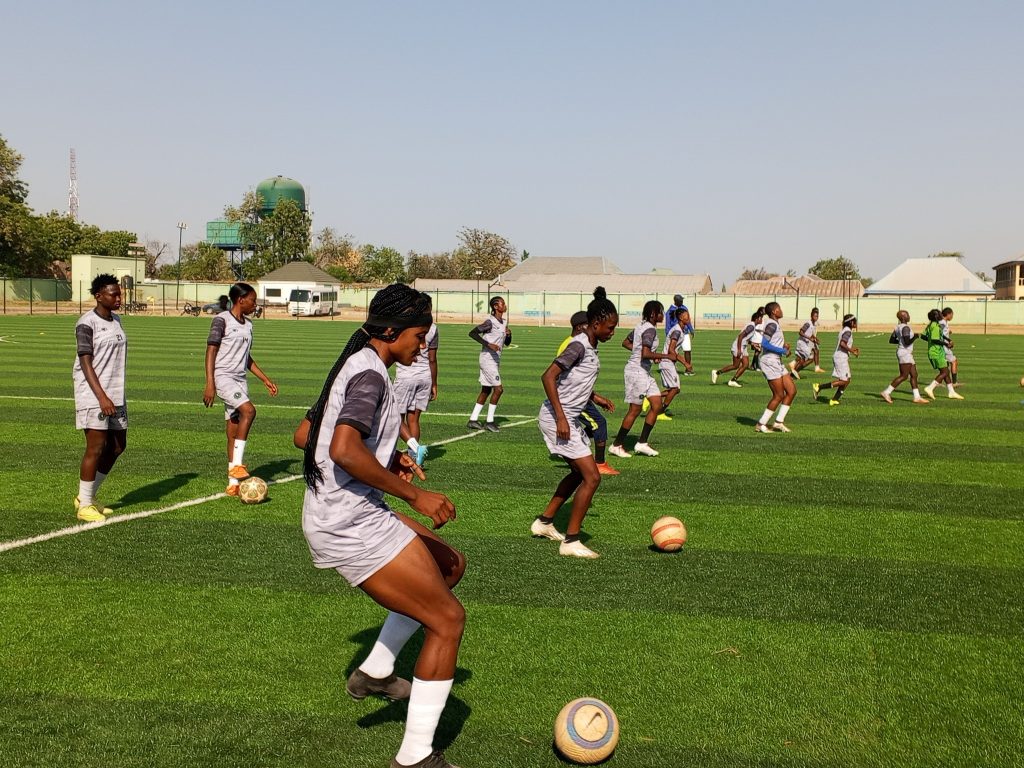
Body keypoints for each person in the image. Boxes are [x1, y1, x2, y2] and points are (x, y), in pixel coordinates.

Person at [299, 283, 466, 768]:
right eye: (419, 335)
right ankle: (415, 757)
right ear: (392, 332)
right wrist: (416, 496)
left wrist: (386, 459)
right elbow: (342, 449)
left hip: (356, 510)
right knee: (448, 620)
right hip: (348, 523)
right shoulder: (370, 374)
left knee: (449, 565)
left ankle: (376, 670)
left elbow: (305, 435)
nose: (423, 345)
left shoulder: (360, 365)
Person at [533, 289, 620, 558]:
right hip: (558, 418)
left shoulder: (589, 347)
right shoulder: (579, 345)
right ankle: (571, 541)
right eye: (610, 327)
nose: (613, 332)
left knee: (578, 474)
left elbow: (573, 381)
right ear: (596, 324)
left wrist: (596, 397)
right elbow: (548, 376)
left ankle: (544, 522)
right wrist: (561, 417)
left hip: (568, 417)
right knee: (592, 477)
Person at [203, 282, 278, 496]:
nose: (255, 304)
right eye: (252, 300)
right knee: (249, 411)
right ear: (240, 300)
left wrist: (265, 379)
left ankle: (233, 482)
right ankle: (237, 465)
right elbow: (211, 351)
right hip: (223, 377)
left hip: (240, 380)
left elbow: (246, 358)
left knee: (233, 430)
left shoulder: (249, 325)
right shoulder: (221, 320)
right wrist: (210, 383)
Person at [72, 274, 128, 522]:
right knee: (95, 447)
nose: (119, 298)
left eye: (119, 294)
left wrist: (111, 395)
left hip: (115, 394)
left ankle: (86, 497)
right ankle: (85, 505)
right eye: (113, 294)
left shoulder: (117, 320)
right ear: (98, 296)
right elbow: (85, 363)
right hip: (93, 394)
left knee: (117, 446)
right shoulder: (86, 323)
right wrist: (102, 397)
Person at [608, 301, 674, 457]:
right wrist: (666, 356)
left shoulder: (640, 326)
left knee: (656, 405)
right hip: (637, 372)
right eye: (660, 312)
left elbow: (626, 343)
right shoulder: (650, 329)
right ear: (653, 314)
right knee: (635, 410)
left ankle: (642, 443)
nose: (662, 315)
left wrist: (648, 354)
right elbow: (645, 353)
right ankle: (616, 445)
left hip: (644, 372)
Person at [558, 310, 618, 475]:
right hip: (572, 399)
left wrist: (595, 397)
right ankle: (599, 463)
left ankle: (570, 444)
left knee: (595, 425)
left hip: (580, 396)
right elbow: (558, 377)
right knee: (599, 423)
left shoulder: (579, 343)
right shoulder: (573, 345)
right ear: (580, 327)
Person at [394, 317, 438, 465]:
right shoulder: (434, 328)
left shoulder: (405, 323)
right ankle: (414, 460)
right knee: (413, 420)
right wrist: (434, 383)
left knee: (395, 418)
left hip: (406, 375)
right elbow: (432, 359)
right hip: (425, 376)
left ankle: (413, 449)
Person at [467, 296, 510, 432]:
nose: (505, 305)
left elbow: (507, 343)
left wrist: (509, 335)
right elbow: (472, 333)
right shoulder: (490, 322)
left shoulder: (504, 322)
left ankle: (473, 420)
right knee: (499, 389)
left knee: (486, 390)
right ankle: (489, 421)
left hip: (495, 359)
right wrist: (488, 344)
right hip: (487, 359)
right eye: (502, 303)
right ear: (496, 307)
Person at [754, 302, 797, 433]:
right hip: (769, 361)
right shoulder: (772, 324)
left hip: (776, 361)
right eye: (779, 308)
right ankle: (760, 424)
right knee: (778, 395)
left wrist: (783, 347)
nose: (781, 310)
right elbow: (764, 343)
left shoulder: (774, 323)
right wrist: (782, 350)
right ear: (774, 312)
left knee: (791, 391)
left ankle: (778, 422)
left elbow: (772, 342)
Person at [881, 311, 929, 404]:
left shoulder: (897, 327)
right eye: (907, 315)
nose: (909, 316)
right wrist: (915, 337)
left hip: (906, 353)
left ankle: (917, 397)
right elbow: (907, 342)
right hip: (905, 353)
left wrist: (901, 341)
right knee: (904, 376)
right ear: (903, 317)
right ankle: (886, 392)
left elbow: (892, 340)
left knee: (914, 375)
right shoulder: (905, 327)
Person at [812, 314, 859, 406]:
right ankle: (819, 387)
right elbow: (842, 343)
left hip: (841, 357)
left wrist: (851, 349)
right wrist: (852, 351)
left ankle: (834, 399)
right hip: (841, 358)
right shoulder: (847, 331)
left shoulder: (845, 330)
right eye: (855, 321)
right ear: (851, 322)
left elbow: (843, 344)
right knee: (844, 380)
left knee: (847, 379)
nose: (856, 323)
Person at [712, 308, 761, 387]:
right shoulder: (751, 326)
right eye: (760, 318)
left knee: (745, 364)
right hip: (738, 346)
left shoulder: (752, 326)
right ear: (757, 319)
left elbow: (745, 338)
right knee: (735, 365)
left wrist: (752, 344)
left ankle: (733, 380)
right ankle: (717, 373)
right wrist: (739, 349)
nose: (762, 320)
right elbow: (741, 336)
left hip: (743, 347)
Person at [923, 309, 964, 400]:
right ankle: (930, 388)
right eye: (939, 314)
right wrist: (946, 344)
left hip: (937, 351)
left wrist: (947, 340)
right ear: (937, 316)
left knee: (946, 372)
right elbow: (935, 339)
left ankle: (951, 392)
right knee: (945, 372)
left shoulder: (931, 325)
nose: (941, 315)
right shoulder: (936, 326)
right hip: (936, 352)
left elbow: (923, 336)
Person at [657, 308, 684, 417]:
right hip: (667, 362)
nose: (689, 317)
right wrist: (685, 363)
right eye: (686, 315)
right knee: (674, 389)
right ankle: (660, 411)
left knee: (676, 390)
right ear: (681, 318)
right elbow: (671, 350)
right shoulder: (677, 331)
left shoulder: (679, 330)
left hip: (669, 362)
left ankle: (650, 398)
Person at [665, 294, 695, 375]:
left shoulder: (684, 308)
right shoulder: (670, 311)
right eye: (681, 300)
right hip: (674, 335)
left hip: (685, 333)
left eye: (682, 300)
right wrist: (668, 335)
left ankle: (688, 369)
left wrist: (691, 329)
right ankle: (671, 368)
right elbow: (668, 325)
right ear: (676, 301)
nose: (682, 301)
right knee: (672, 351)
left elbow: (687, 320)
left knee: (687, 350)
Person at [788, 307, 821, 379]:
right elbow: (801, 332)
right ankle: (794, 372)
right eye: (815, 316)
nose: (816, 317)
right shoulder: (808, 324)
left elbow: (811, 334)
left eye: (817, 316)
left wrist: (816, 339)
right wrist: (809, 338)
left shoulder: (813, 324)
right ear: (811, 316)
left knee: (803, 359)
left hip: (805, 343)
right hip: (802, 343)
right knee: (810, 359)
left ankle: (792, 374)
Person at [941, 308, 959, 386]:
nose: (952, 316)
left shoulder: (944, 322)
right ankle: (954, 383)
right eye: (952, 314)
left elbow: (943, 332)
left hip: (944, 346)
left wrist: (948, 331)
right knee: (954, 361)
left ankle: (939, 382)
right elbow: (939, 333)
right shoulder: (942, 322)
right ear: (948, 314)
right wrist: (947, 342)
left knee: (945, 365)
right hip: (944, 346)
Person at [749, 306, 766, 371]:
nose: (765, 312)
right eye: (764, 310)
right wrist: (763, 331)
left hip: (759, 337)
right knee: (758, 352)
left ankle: (752, 365)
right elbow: (755, 327)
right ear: (761, 311)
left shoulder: (761, 317)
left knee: (757, 351)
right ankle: (757, 367)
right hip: (756, 337)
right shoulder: (758, 317)